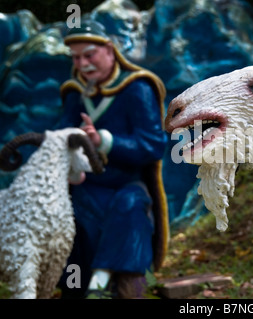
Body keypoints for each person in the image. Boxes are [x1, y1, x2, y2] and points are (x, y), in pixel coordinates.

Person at [57, 20, 169, 298]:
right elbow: (61, 135)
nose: (82, 64)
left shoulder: (137, 88)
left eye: (89, 55)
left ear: (109, 50)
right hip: (86, 185)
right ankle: (76, 287)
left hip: (125, 184)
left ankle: (109, 285)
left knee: (130, 206)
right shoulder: (75, 93)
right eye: (76, 58)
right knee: (68, 214)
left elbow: (153, 145)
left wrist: (104, 141)